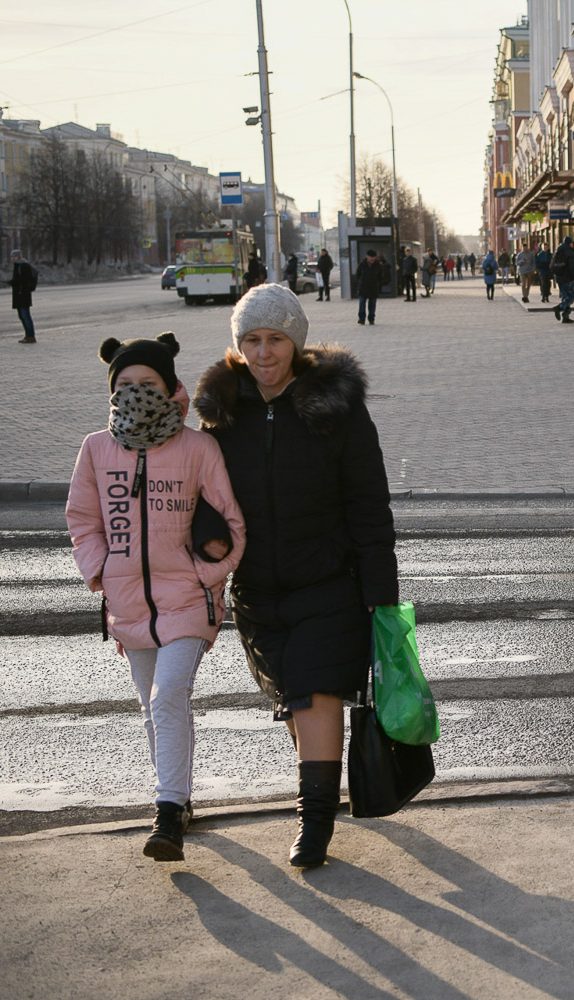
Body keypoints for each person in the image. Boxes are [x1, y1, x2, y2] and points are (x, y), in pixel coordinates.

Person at [193, 284, 399, 869]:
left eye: (276, 339)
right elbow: (201, 492)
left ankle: (314, 825)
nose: (264, 353)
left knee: (316, 695)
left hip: (329, 582)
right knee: (296, 701)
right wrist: (208, 533)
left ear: (296, 342)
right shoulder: (223, 413)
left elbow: (368, 503)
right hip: (257, 589)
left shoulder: (336, 409)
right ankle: (321, 794)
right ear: (238, 346)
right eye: (252, 340)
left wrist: (380, 593)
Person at [66, 332, 246, 862]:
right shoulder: (96, 448)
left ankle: (167, 812)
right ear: (111, 390)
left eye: (148, 383)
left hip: (187, 600)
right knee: (154, 706)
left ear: (170, 388)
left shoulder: (198, 447)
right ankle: (180, 798)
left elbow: (231, 522)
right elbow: (82, 518)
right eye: (125, 384)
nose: (136, 391)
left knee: (169, 694)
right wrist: (100, 570)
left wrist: (205, 575)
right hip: (128, 604)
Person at [7, 249, 38, 343]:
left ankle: (31, 336)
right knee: (22, 316)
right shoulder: (18, 266)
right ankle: (27, 336)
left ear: (19, 257)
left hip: (23, 295)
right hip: (19, 294)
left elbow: (23, 280)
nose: (13, 258)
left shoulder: (23, 266)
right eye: (11, 257)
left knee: (25, 316)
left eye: (14, 256)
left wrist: (13, 282)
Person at [354, 249, 386, 325]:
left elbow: (381, 276)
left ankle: (371, 319)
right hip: (363, 287)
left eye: (373, 257)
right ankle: (361, 319)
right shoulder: (362, 264)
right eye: (370, 257)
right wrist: (361, 282)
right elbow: (358, 275)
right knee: (362, 304)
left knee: (372, 305)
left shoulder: (378, 265)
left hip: (373, 288)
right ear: (367, 257)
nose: (372, 259)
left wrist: (378, 283)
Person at [550, 237, 574, 323]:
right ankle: (559, 308)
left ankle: (565, 316)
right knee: (571, 297)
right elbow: (571, 267)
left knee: (565, 297)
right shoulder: (569, 252)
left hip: (559, 278)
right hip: (567, 278)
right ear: (570, 243)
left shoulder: (558, 251)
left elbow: (552, 265)